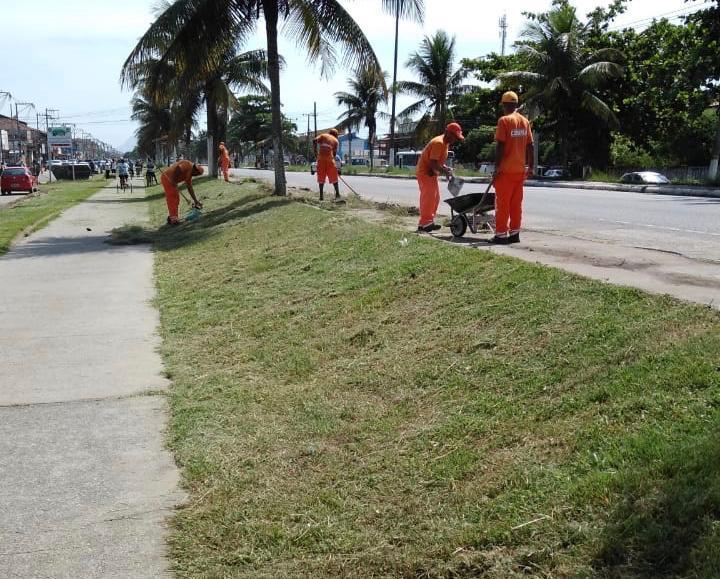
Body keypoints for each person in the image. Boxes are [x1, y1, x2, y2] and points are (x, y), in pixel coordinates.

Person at [491, 91, 534, 244]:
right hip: (520, 171)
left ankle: (501, 235)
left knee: (502, 205)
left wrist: (496, 167)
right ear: (516, 105)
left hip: (505, 171)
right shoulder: (524, 121)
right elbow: (530, 145)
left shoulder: (504, 121)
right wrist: (531, 166)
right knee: (516, 205)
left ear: (504, 105)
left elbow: (500, 145)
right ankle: (514, 234)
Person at [415, 122, 465, 232]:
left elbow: (437, 161)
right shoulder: (439, 143)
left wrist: (445, 168)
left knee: (435, 198)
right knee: (429, 197)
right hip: (425, 173)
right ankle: (426, 223)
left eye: (457, 137)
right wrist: (445, 172)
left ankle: (425, 223)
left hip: (431, 173)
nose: (455, 139)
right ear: (447, 132)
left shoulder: (445, 143)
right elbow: (433, 163)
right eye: (454, 136)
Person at [160, 159, 204, 225]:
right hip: (168, 178)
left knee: (175, 198)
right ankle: (174, 219)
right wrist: (173, 180)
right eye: (197, 174)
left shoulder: (189, 175)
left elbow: (190, 188)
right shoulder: (188, 164)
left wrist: (195, 201)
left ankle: (172, 217)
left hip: (170, 180)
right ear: (195, 170)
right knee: (173, 198)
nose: (196, 175)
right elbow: (178, 168)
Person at [313, 128, 340, 200]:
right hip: (329, 159)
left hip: (321, 158)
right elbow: (334, 154)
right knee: (334, 176)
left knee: (321, 177)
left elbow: (314, 140)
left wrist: (315, 152)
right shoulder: (336, 141)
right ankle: (337, 195)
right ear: (336, 135)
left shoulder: (323, 135)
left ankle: (321, 196)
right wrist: (333, 165)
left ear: (329, 133)